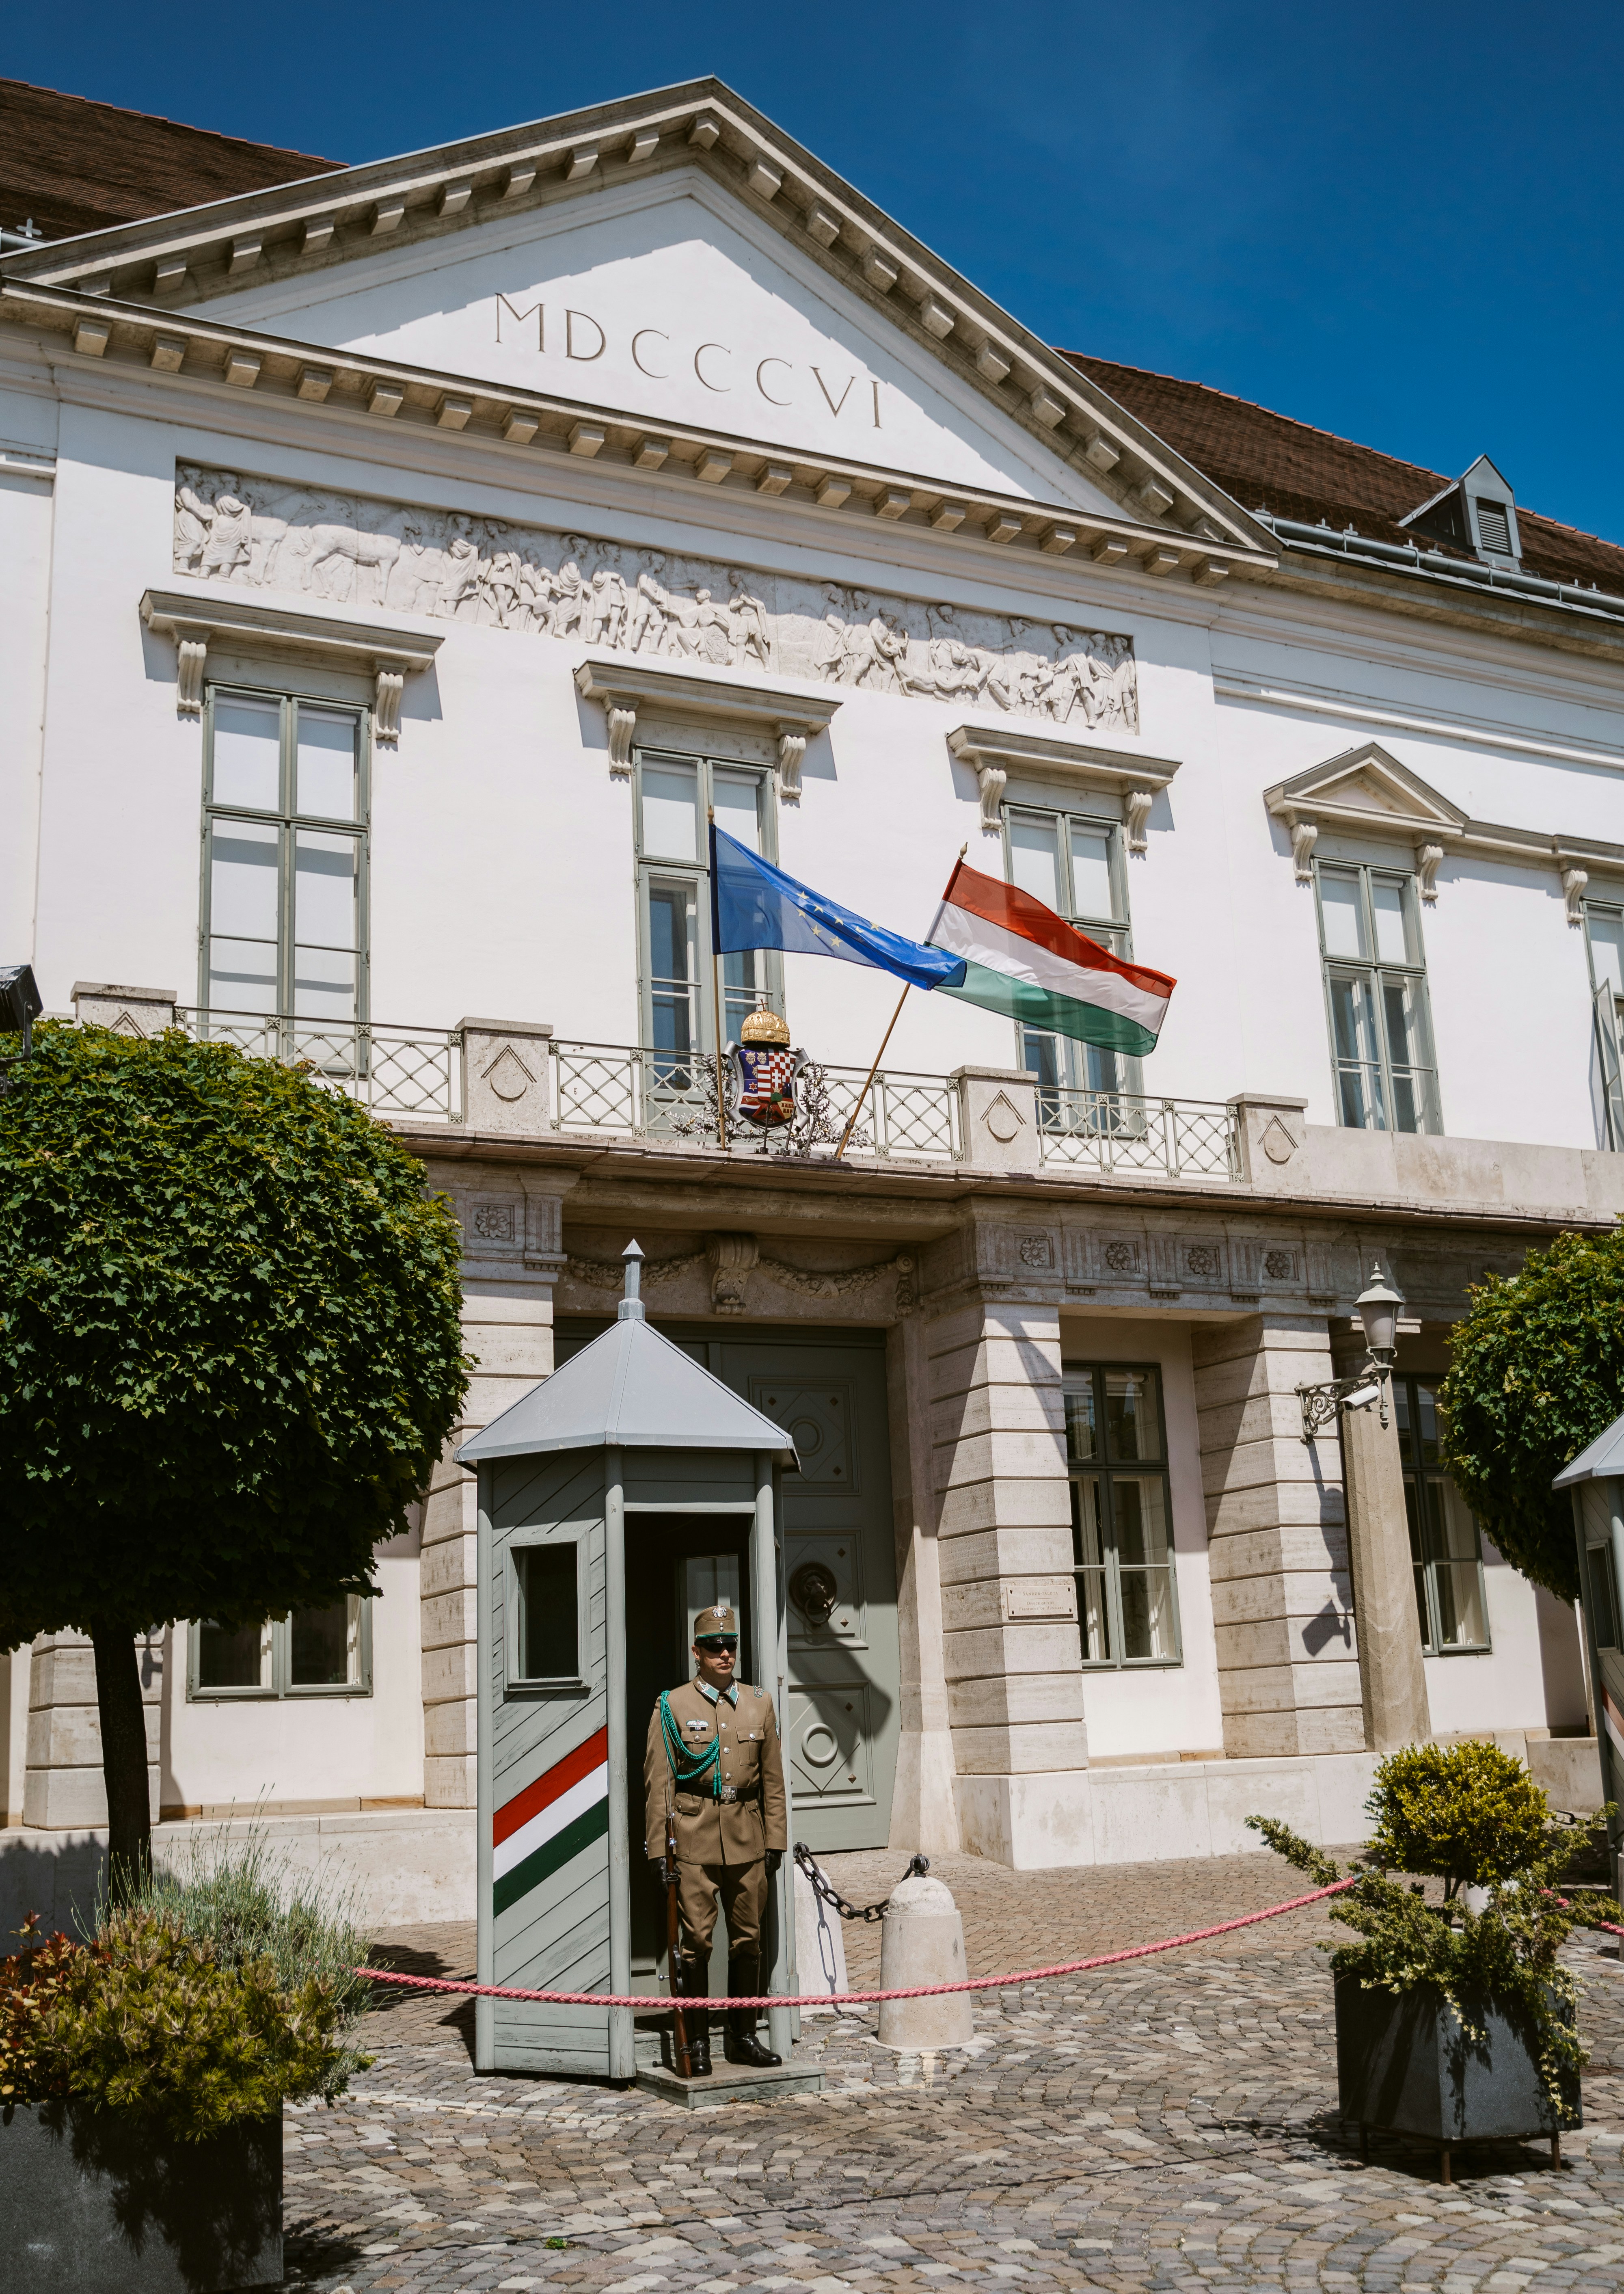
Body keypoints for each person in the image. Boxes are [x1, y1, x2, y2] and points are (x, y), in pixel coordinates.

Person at [643, 1604, 786, 2076]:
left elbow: (772, 1780)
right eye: (713, 1647)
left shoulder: (759, 1702)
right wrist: (658, 1848)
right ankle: (697, 2044)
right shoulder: (673, 1705)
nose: (724, 1654)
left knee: (749, 1940)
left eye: (730, 1645)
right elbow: (659, 1784)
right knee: (696, 1944)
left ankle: (743, 2038)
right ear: (696, 1652)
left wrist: (776, 1840)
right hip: (693, 1839)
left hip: (748, 1837)